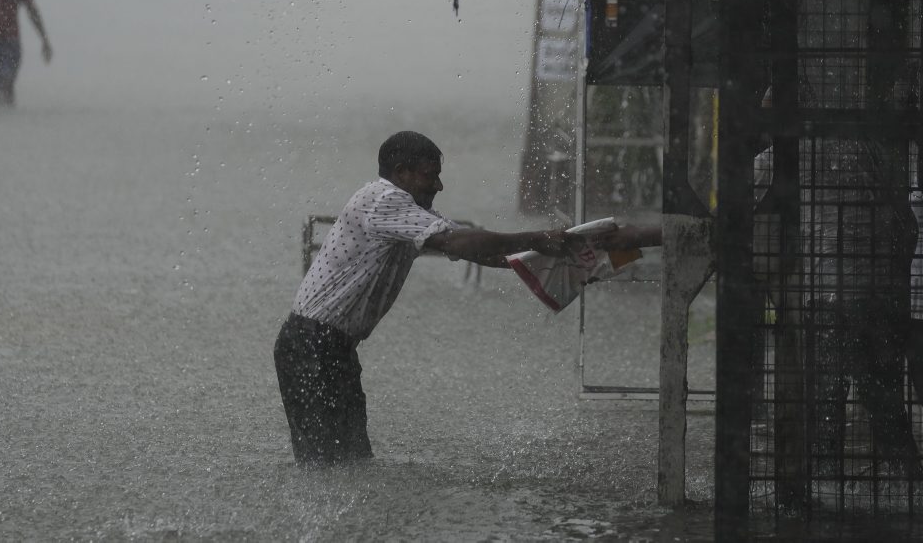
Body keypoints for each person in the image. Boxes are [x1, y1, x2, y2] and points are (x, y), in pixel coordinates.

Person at [273, 131, 654, 466]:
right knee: (323, 466)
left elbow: (476, 252)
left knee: (351, 461)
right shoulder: (384, 200)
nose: (438, 185)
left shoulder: (410, 213)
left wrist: (564, 257)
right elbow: (458, 242)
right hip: (311, 345)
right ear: (401, 172)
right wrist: (536, 239)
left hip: (332, 348)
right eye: (430, 175)